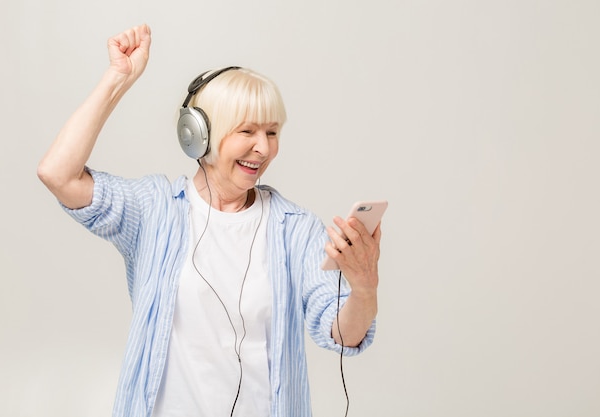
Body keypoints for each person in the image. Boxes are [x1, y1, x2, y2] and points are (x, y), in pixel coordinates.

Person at [37, 24, 382, 417]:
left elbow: (341, 333)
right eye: (247, 131)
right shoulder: (156, 211)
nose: (264, 147)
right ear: (197, 135)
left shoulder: (295, 229)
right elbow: (58, 174)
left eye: (272, 132)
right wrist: (117, 79)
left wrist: (364, 288)